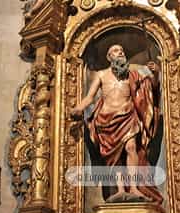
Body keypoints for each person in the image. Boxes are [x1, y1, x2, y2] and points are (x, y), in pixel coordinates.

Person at [70, 44, 163, 204]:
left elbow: (153, 85)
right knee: (115, 158)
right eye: (115, 50)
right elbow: (90, 97)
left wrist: (155, 72)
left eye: (121, 50)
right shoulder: (101, 74)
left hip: (128, 115)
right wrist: (79, 108)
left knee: (131, 147)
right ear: (109, 57)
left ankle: (133, 187)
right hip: (106, 119)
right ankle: (120, 189)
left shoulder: (135, 73)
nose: (120, 52)